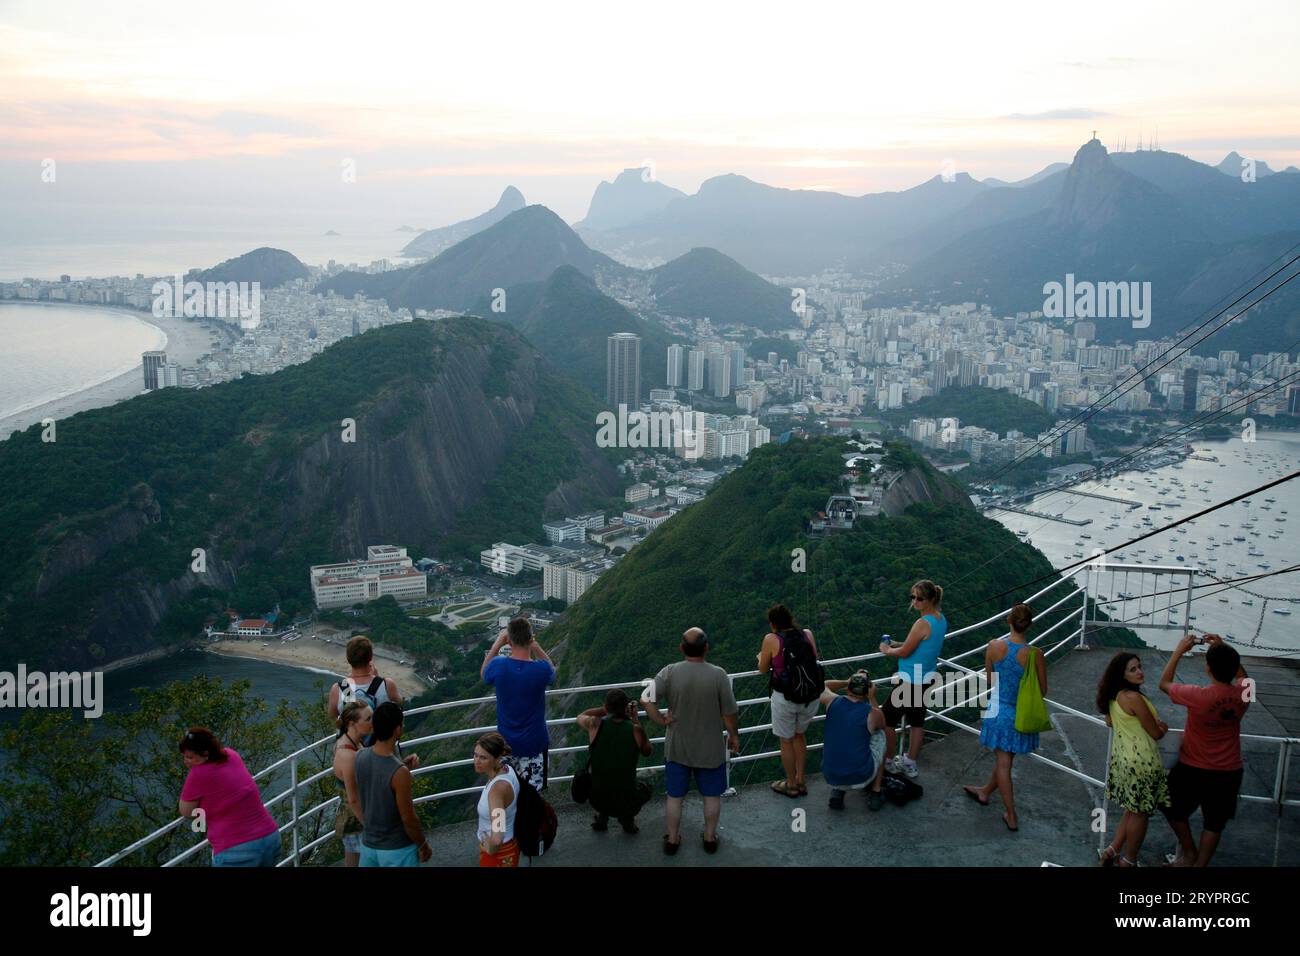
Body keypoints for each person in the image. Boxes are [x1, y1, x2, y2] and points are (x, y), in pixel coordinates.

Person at [642, 627, 740, 855]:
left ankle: (673, 840)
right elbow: (729, 712)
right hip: (710, 747)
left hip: (678, 747)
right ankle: (709, 838)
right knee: (712, 795)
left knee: (675, 797)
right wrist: (733, 735)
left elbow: (646, 699)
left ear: (681, 648)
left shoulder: (670, 672)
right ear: (706, 648)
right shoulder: (718, 675)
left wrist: (660, 720)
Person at [1157, 633, 1250, 867]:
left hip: (1194, 766)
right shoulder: (1244, 693)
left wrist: (1179, 651)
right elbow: (1243, 677)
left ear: (1208, 669)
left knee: (1170, 806)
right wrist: (1223, 647)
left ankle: (1189, 853)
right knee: (1215, 822)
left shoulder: (1198, 695)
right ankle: (1200, 865)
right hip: (1229, 769)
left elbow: (1164, 683)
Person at [963, 603, 1047, 832]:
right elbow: (1042, 690)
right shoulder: (1035, 655)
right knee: (1005, 759)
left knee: (1003, 761)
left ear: (1009, 620)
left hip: (998, 709)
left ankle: (1011, 814)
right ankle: (986, 792)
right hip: (1019, 713)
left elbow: (991, 680)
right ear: (1028, 625)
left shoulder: (993, 646)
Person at [1096, 652, 1170, 867]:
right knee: (1140, 813)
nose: (1140, 672)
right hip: (1142, 762)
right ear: (1122, 675)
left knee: (1132, 808)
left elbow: (1110, 722)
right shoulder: (1134, 698)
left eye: (1139, 667)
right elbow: (1156, 733)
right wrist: (1162, 727)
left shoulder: (1113, 697)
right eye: (1133, 669)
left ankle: (1112, 849)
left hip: (1122, 761)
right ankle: (1129, 860)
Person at [178, 727, 281, 867]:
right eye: (184, 756)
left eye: (190, 757)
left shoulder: (199, 773)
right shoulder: (231, 755)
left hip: (237, 851)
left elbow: (186, 811)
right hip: (270, 839)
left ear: (205, 753)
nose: (186, 761)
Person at [878, 579, 948, 779]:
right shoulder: (940, 619)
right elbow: (920, 644)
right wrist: (898, 643)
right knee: (917, 723)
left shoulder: (922, 622)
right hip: (926, 678)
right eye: (913, 597)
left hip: (909, 680)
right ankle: (910, 762)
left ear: (930, 599)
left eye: (919, 598)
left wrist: (887, 649)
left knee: (887, 720)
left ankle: (889, 761)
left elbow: (907, 651)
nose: (915, 601)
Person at [481, 618, 556, 792]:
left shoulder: (499, 665)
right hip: (535, 744)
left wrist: (498, 644)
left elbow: (484, 674)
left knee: (507, 795)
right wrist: (535, 646)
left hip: (506, 744)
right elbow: (552, 671)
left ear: (510, 640)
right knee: (532, 797)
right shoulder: (541, 669)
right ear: (530, 639)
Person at [354, 702, 431, 867]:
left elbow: (377, 780)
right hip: (397, 849)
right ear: (398, 730)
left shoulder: (360, 756)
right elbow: (408, 818)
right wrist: (423, 844)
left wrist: (401, 765)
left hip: (368, 845)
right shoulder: (399, 772)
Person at [757, 603, 821, 797]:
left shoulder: (771, 638)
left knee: (786, 740)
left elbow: (762, 669)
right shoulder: (806, 634)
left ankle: (791, 784)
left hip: (785, 697)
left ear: (772, 623)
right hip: (809, 696)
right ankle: (802, 780)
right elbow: (814, 658)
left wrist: (763, 657)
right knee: (800, 736)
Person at [577, 689, 654, 833]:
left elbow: (581, 716)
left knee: (606, 779)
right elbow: (648, 752)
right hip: (626, 801)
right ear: (626, 708)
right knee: (649, 779)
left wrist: (603, 710)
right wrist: (635, 719)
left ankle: (602, 818)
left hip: (597, 799)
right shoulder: (635, 730)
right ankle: (627, 819)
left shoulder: (595, 725)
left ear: (607, 707)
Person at [819, 670, 886, 811]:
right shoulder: (872, 713)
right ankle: (876, 791)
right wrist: (872, 697)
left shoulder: (832, 702)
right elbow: (881, 724)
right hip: (860, 777)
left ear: (848, 689)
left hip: (830, 775)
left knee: (846, 735)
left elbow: (823, 685)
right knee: (880, 734)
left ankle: (838, 790)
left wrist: (846, 681)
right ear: (867, 691)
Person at [327, 635, 403, 725]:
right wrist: (378, 679)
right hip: (378, 738)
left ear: (348, 659)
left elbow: (333, 716)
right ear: (370, 657)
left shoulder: (338, 689)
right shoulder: (387, 684)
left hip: (352, 738)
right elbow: (400, 704)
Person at [473, 732, 521, 867]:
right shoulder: (507, 769)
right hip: (511, 845)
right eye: (475, 755)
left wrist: (488, 846)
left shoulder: (496, 791)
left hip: (500, 854)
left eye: (483, 758)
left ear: (497, 758)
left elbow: (498, 837)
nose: (477, 761)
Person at [332, 701, 370, 866]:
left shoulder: (351, 741)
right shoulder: (348, 756)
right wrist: (369, 825)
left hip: (350, 817)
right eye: (368, 719)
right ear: (352, 724)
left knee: (353, 860)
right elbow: (353, 799)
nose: (373, 722)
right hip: (356, 819)